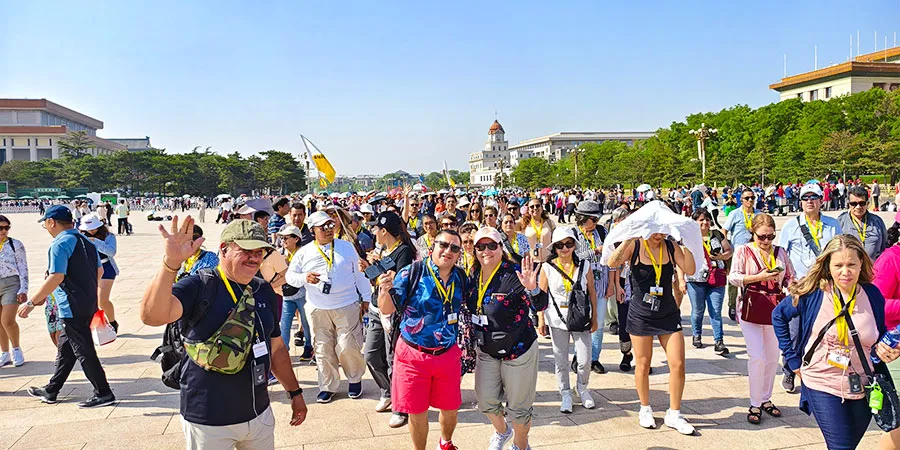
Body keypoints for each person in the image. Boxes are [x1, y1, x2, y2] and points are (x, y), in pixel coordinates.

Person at [140, 217, 308, 448]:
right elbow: (152, 316)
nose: (254, 257)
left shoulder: (263, 291)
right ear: (224, 249)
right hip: (209, 420)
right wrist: (170, 264)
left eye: (260, 251)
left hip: (258, 413)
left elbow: (277, 349)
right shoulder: (199, 286)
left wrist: (295, 393)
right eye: (246, 250)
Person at [773, 235, 900, 449]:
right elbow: (779, 316)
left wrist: (889, 349)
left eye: (851, 264)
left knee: (848, 445)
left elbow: (878, 336)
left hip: (863, 383)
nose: (845, 271)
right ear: (827, 266)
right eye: (838, 265)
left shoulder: (872, 295)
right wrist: (792, 360)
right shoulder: (814, 293)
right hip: (822, 381)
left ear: (862, 264)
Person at [376, 229, 467, 450]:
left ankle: (445, 443)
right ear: (432, 246)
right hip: (413, 354)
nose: (448, 251)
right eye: (443, 245)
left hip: (447, 353)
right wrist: (384, 289)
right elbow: (387, 308)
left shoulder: (462, 277)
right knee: (416, 411)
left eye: (454, 248)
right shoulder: (411, 272)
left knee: (450, 407)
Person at [18, 205, 115, 408]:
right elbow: (99, 272)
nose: (46, 227)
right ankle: (52, 389)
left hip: (71, 305)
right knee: (66, 349)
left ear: (51, 222)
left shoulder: (60, 243)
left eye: (46, 223)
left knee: (83, 350)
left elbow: (56, 276)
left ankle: (103, 392)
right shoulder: (86, 241)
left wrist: (32, 302)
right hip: (87, 302)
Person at [607, 230, 697, 435]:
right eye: (654, 230)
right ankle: (645, 408)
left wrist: (689, 244)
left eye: (662, 230)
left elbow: (689, 268)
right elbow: (613, 262)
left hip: (667, 311)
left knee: (678, 363)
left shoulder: (671, 246)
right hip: (641, 313)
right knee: (644, 363)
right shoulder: (636, 245)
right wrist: (629, 237)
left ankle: (674, 413)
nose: (659, 235)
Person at [468, 227, 545, 450]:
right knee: (486, 402)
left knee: (519, 410)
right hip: (487, 350)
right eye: (480, 246)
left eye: (492, 245)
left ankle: (521, 445)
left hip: (518, 350)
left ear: (501, 247)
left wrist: (533, 289)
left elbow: (540, 305)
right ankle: (503, 431)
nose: (486, 251)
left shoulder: (516, 272)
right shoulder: (472, 274)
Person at [286, 211, 370, 403]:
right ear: (312, 230)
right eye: (323, 227)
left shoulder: (346, 247)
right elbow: (291, 277)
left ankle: (354, 379)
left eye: (331, 226)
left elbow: (359, 274)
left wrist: (366, 297)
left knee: (348, 345)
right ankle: (328, 385)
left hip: (346, 304)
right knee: (323, 349)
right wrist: (304, 277)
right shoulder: (304, 252)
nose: (328, 230)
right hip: (318, 308)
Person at [728, 213, 794, 425]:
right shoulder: (743, 251)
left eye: (770, 237)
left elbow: (791, 276)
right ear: (752, 234)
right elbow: (734, 277)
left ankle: (766, 397)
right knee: (757, 356)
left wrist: (794, 287)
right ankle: (755, 402)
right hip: (751, 309)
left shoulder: (780, 252)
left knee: (773, 357)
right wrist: (759, 277)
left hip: (774, 309)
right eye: (761, 237)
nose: (766, 241)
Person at [777, 182, 842, 393]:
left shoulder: (833, 224)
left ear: (821, 201)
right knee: (795, 331)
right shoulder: (791, 225)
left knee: (825, 330)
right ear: (800, 201)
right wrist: (785, 282)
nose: (810, 201)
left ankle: (821, 372)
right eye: (806, 198)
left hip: (825, 285)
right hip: (801, 286)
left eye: (814, 197)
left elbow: (840, 251)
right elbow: (781, 255)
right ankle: (789, 370)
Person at [364, 212, 417, 428]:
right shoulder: (385, 250)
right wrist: (372, 268)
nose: (374, 232)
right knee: (370, 354)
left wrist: (376, 270)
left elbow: (396, 280)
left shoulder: (403, 251)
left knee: (392, 358)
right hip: (376, 307)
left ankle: (401, 407)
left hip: (393, 311)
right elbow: (373, 274)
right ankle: (388, 391)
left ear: (384, 230)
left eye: (376, 228)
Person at [538, 227, 599, 413]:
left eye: (569, 244)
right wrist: (541, 320)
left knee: (585, 359)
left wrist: (595, 317)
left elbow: (592, 293)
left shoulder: (584, 265)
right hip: (557, 318)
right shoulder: (547, 267)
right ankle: (565, 392)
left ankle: (582, 387)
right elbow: (541, 295)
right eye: (560, 245)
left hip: (580, 317)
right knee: (560, 360)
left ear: (574, 245)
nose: (564, 248)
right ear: (554, 248)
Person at [684, 209, 732, 354]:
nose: (705, 222)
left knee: (715, 311)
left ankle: (719, 341)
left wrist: (720, 257)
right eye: (701, 220)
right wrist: (681, 279)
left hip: (716, 277)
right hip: (695, 279)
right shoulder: (689, 237)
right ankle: (696, 334)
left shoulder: (717, 234)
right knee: (698, 310)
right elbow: (682, 259)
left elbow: (729, 251)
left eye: (707, 219)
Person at [572, 200, 610, 374]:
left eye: (597, 220)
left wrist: (612, 283)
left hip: (601, 283)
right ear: (583, 219)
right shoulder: (573, 234)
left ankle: (594, 358)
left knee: (599, 323)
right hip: (580, 285)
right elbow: (573, 257)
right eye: (593, 220)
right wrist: (594, 251)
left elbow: (611, 258)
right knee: (579, 322)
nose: (595, 224)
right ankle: (578, 356)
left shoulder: (602, 231)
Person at [277, 225, 314, 361]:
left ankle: (309, 346)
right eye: (282, 238)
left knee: (306, 322)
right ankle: (283, 350)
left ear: (296, 239)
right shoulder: (281, 253)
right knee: (284, 323)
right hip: (287, 294)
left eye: (286, 238)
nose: (283, 241)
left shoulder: (304, 254)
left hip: (302, 294)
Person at [79, 213, 120, 332]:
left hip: (106, 267)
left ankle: (112, 322)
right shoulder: (80, 236)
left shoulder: (108, 236)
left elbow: (111, 252)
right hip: (89, 268)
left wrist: (96, 241)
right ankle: (95, 325)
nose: (91, 231)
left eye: (93, 228)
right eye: (88, 229)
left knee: (103, 300)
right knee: (91, 300)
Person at [723, 188, 759, 321]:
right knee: (734, 280)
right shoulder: (735, 214)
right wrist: (726, 246)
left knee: (752, 279)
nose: (750, 200)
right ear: (741, 200)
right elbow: (724, 230)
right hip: (737, 251)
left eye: (752, 198)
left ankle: (749, 303)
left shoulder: (758, 214)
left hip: (754, 252)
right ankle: (732, 305)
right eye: (747, 198)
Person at [0, 215, 27, 367]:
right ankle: (4, 352)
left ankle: (16, 349)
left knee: (7, 320)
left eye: (6, 228)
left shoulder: (15, 244)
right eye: (0, 228)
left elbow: (23, 268)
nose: (4, 231)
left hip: (11, 283)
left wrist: (24, 288)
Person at [837, 186, 888, 261]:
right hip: (850, 269)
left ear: (867, 203)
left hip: (874, 269)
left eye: (862, 203)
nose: (858, 207)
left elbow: (885, 246)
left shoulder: (877, 221)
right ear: (848, 204)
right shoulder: (840, 221)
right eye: (853, 203)